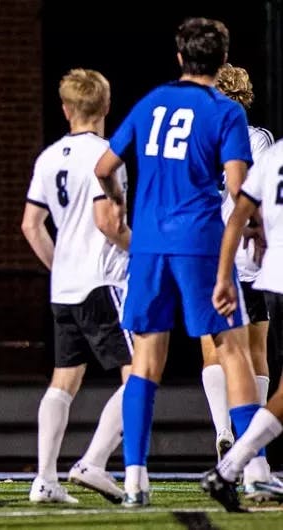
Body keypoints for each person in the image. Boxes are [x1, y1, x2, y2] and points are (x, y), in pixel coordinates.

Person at [94, 18, 258, 508]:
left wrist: (119, 200)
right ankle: (252, 471)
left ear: (180, 57)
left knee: (145, 360)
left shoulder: (150, 102)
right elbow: (236, 188)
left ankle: (134, 480)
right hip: (199, 242)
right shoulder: (225, 112)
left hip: (147, 245)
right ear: (221, 59)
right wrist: (256, 226)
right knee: (233, 350)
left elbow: (105, 168)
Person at [22, 69, 132, 505]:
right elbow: (108, 224)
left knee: (63, 380)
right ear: (105, 107)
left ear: (66, 110)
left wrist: (60, 266)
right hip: (103, 281)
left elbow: (32, 225)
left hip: (65, 287)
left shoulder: (48, 158)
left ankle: (45, 479)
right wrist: (142, 250)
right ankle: (95, 462)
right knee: (140, 373)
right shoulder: (106, 155)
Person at [199, 63, 276, 498]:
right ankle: (248, 448)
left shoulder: (199, 135)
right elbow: (256, 191)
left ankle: (222, 430)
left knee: (213, 347)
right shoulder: (258, 138)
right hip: (248, 252)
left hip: (206, 251)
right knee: (254, 350)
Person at [204, 137, 283, 511]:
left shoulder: (276, 151)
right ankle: (246, 464)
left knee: (221, 352)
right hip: (261, 266)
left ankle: (231, 453)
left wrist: (221, 272)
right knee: (253, 357)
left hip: (245, 262)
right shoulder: (262, 142)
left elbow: (239, 210)